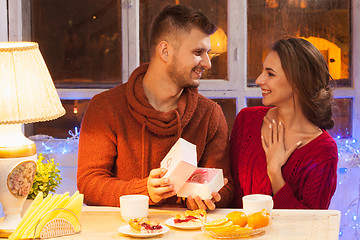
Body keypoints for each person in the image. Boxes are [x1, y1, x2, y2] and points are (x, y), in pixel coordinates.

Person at [77, 4, 234, 210]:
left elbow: (226, 186)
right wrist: (145, 191)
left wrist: (207, 197)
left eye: (208, 53)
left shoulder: (210, 114)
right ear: (165, 51)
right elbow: (89, 184)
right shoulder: (105, 107)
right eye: (198, 52)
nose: (207, 63)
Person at [230, 37, 338, 209]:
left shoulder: (323, 150)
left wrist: (274, 172)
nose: (259, 80)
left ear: (298, 82)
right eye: (262, 71)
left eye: (270, 74)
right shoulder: (246, 120)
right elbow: (229, 190)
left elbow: (310, 225)